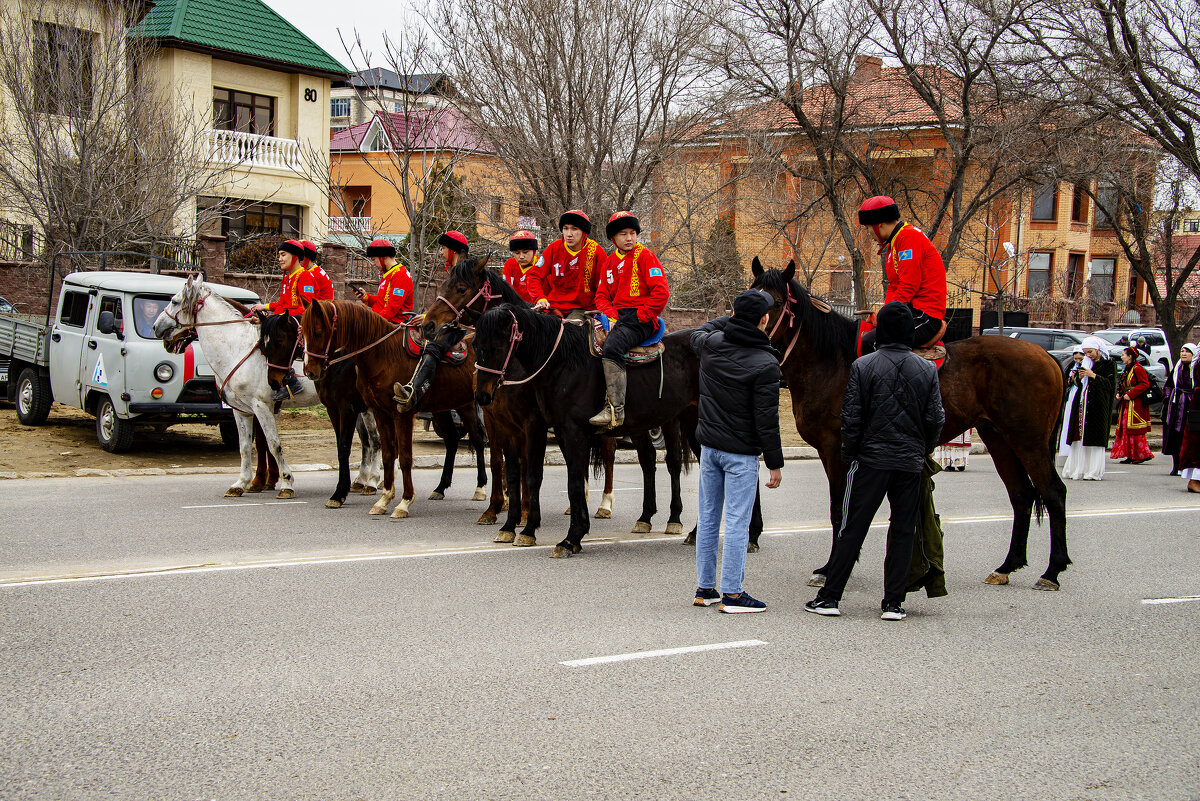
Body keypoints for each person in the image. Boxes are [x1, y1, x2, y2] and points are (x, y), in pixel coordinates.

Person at [805, 301, 945, 621]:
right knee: (903, 529)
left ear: (880, 330)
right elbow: (935, 417)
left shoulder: (863, 365)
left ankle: (830, 597)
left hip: (871, 457)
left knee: (853, 527)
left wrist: (850, 453)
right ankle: (893, 602)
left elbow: (852, 416)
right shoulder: (925, 368)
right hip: (909, 459)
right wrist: (924, 449)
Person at [689, 289, 785, 613]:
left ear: (732, 315)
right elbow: (767, 420)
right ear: (764, 320)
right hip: (740, 454)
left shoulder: (712, 345)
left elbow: (699, 332)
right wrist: (774, 463)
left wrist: (730, 321)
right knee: (736, 522)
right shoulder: (766, 363)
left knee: (708, 518)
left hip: (710, 448)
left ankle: (705, 589)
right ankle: (732, 594)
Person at [589, 212, 670, 428]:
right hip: (617, 316)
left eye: (633, 233)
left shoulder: (646, 256)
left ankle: (616, 410)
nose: (629, 238)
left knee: (613, 346)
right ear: (613, 239)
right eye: (623, 234)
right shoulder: (609, 262)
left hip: (641, 318)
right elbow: (601, 296)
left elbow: (660, 292)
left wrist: (641, 316)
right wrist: (612, 316)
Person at [856, 196, 947, 354]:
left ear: (880, 226)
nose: (869, 234)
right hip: (910, 311)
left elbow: (909, 285)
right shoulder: (895, 242)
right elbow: (894, 286)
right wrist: (883, 313)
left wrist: (885, 315)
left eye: (868, 228)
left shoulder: (908, 238)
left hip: (925, 315)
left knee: (871, 343)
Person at [249, 239, 309, 400]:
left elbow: (306, 308)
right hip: (287, 321)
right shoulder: (288, 277)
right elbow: (283, 303)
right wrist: (266, 310)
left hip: (298, 324)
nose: (280, 259)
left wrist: (278, 318)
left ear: (295, 257)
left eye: (283, 255)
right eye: (279, 255)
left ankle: (293, 380)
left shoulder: (305, 277)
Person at [528, 210, 607, 323]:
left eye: (574, 229)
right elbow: (534, 276)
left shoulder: (596, 252)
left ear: (584, 231)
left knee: (568, 333)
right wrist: (540, 298)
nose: (569, 234)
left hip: (582, 309)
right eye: (565, 228)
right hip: (553, 307)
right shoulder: (554, 248)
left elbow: (604, 287)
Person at [1060, 337, 1115, 481]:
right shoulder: (1085, 363)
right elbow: (1078, 384)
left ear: (1098, 349)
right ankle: (1078, 469)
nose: (1089, 355)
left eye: (1090, 352)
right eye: (1086, 353)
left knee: (1093, 438)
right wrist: (1078, 377)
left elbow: (1110, 384)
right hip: (1082, 404)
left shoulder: (1108, 364)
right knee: (1079, 437)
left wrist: (1093, 375)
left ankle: (1093, 471)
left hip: (1097, 406)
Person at [352, 238, 414, 324]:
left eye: (373, 259)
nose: (373, 263)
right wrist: (366, 297)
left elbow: (392, 307)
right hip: (383, 322)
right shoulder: (388, 274)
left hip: (393, 325)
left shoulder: (400, 275)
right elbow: (382, 301)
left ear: (383, 257)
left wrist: (373, 322)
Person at [1110, 345, 1154, 464]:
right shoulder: (1128, 368)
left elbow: (1144, 384)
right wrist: (1120, 393)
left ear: (1130, 357)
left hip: (1136, 404)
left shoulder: (1138, 369)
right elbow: (1124, 383)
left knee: (1135, 429)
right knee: (1126, 428)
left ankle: (1140, 454)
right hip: (1127, 403)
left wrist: (1131, 394)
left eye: (1124, 354)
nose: (1122, 357)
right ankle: (1130, 454)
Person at [1162, 343, 1196, 475]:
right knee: (1175, 436)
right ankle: (1176, 465)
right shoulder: (1177, 369)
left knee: (1186, 436)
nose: (1184, 353)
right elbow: (1169, 385)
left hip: (1190, 406)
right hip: (1176, 407)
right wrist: (1167, 396)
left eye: (1187, 351)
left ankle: (1185, 466)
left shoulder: (1195, 369)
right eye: (1182, 351)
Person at [503, 230, 541, 304]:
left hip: (538, 307)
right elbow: (506, 288)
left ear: (534, 251)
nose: (521, 257)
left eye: (525, 252)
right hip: (518, 307)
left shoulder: (541, 265)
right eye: (517, 253)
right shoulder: (510, 264)